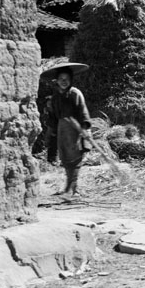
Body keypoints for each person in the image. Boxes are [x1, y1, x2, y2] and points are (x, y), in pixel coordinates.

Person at [41, 63, 92, 196]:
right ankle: (68, 187)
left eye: (67, 79)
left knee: (75, 159)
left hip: (76, 130)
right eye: (61, 79)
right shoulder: (55, 97)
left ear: (71, 80)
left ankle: (74, 189)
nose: (64, 82)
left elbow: (83, 111)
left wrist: (84, 128)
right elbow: (53, 118)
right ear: (57, 81)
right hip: (62, 131)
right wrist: (49, 134)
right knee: (66, 160)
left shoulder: (75, 93)